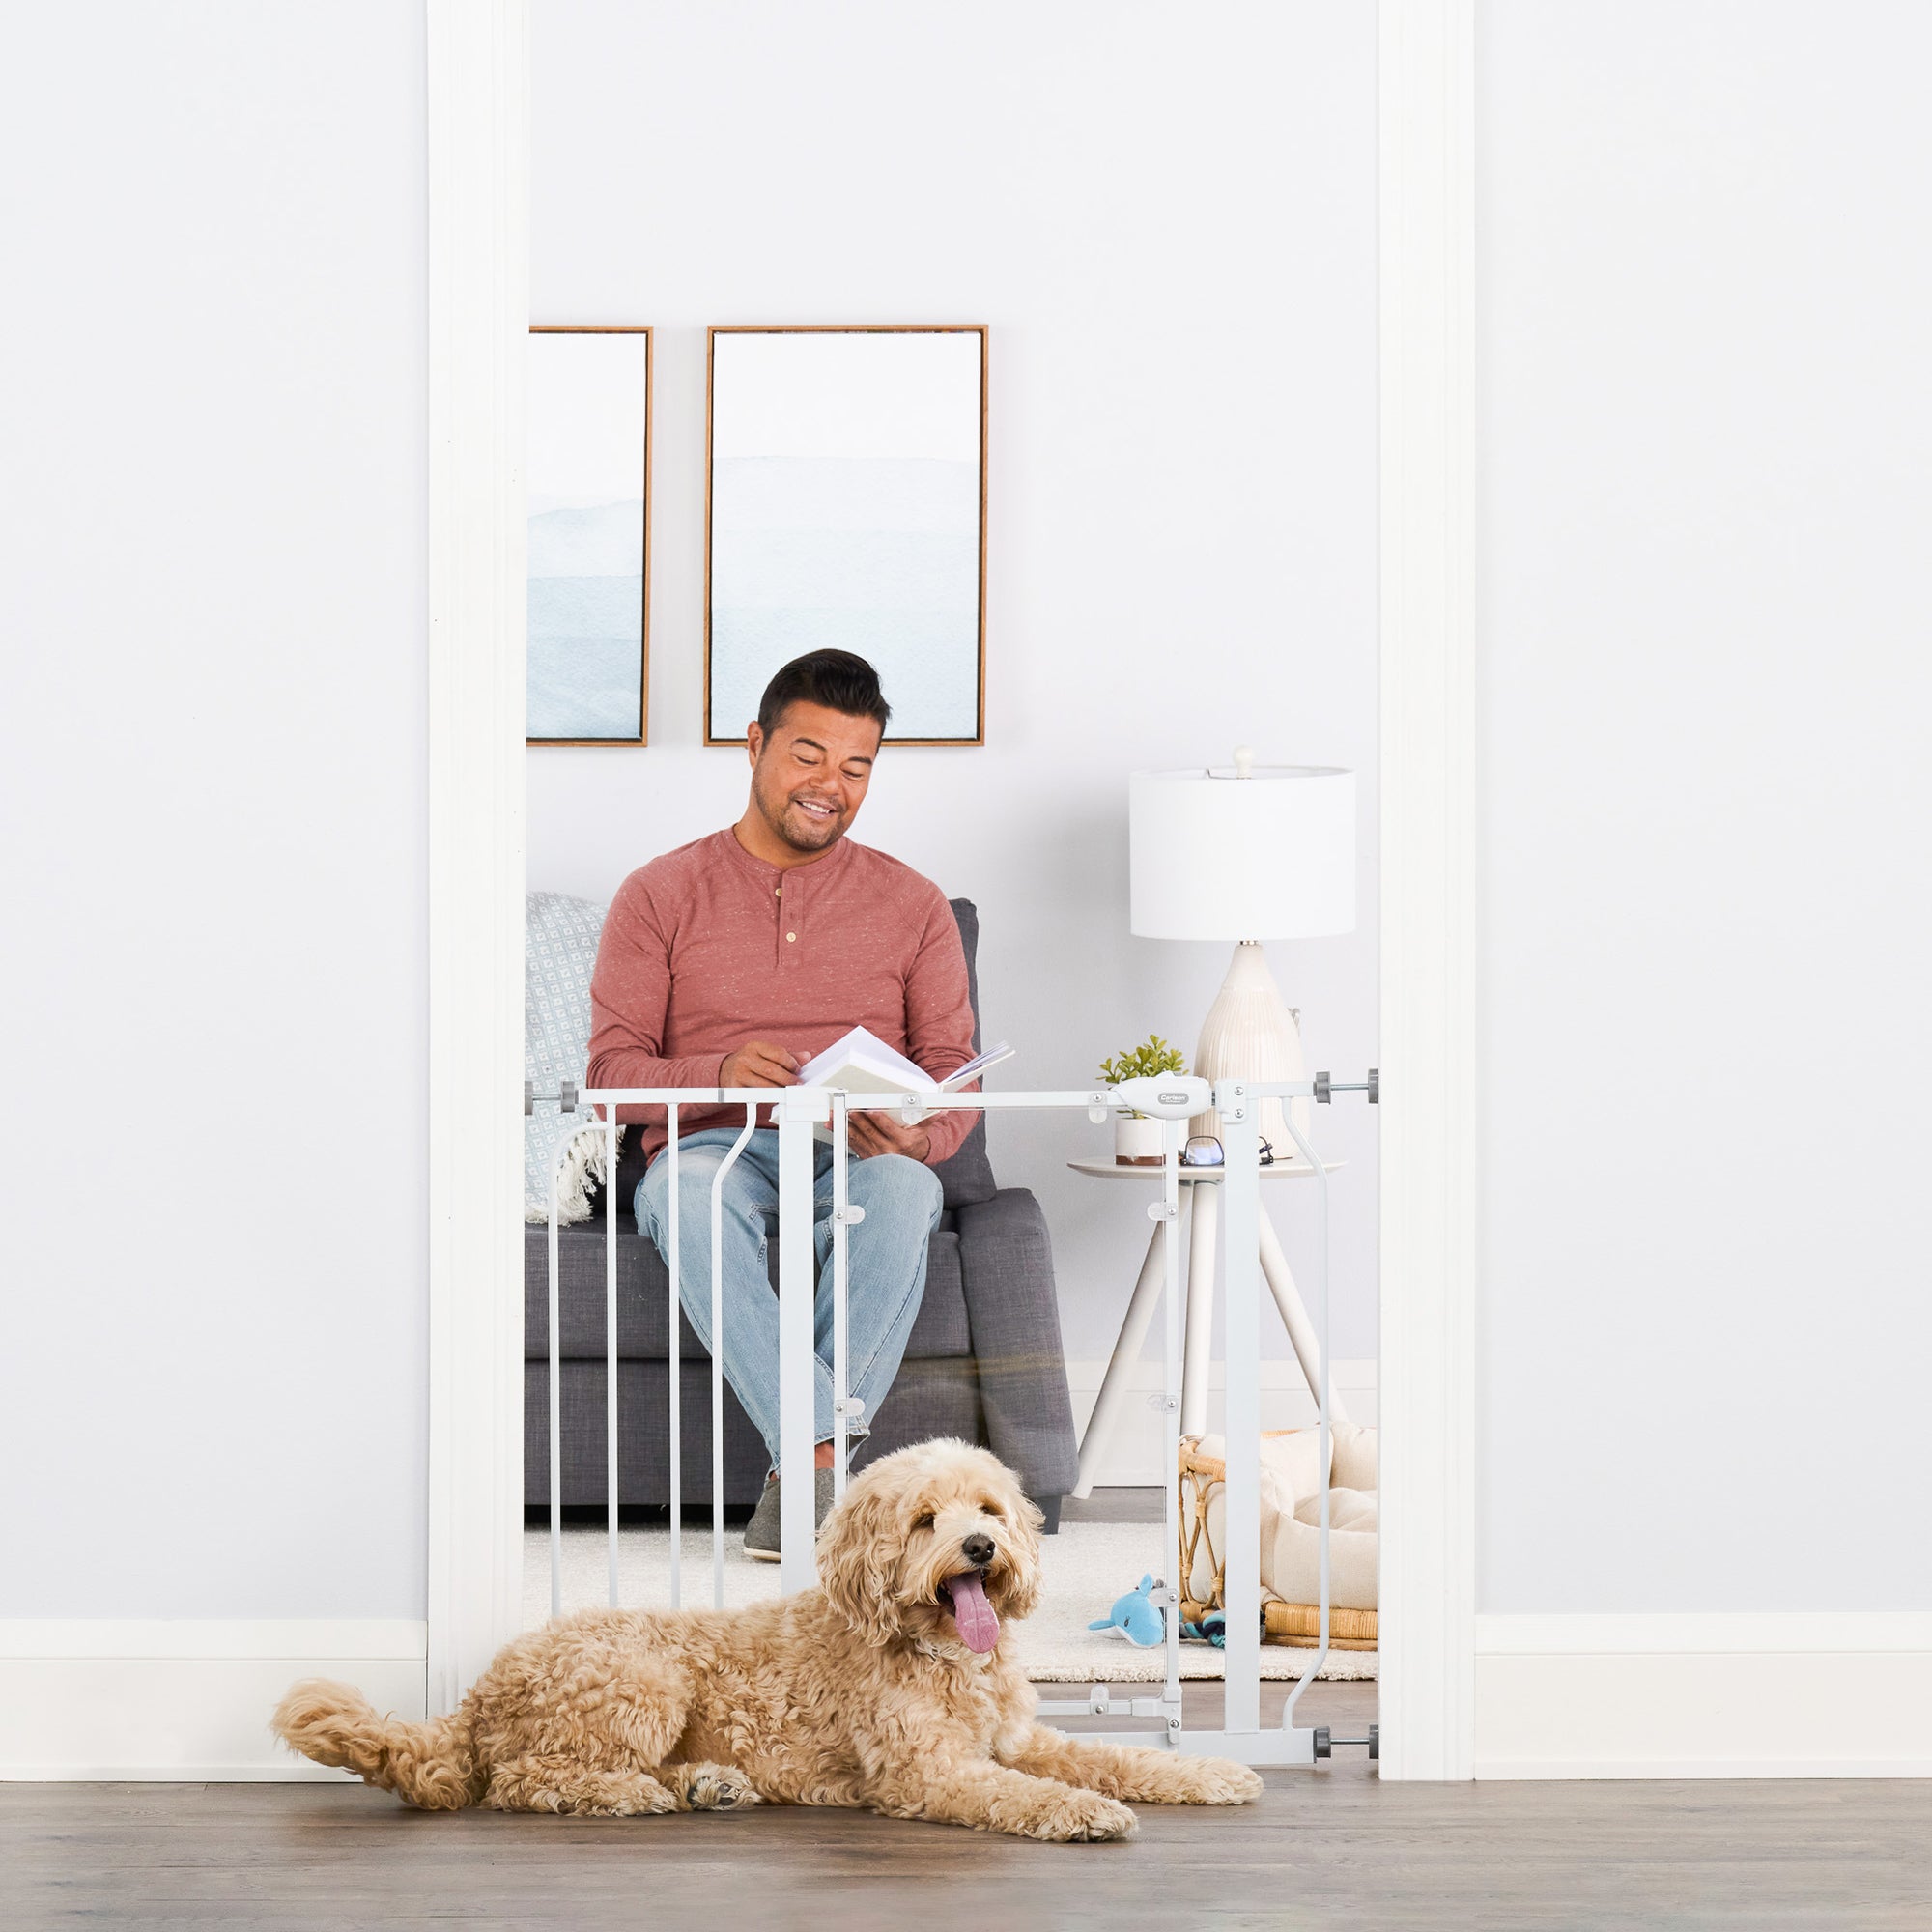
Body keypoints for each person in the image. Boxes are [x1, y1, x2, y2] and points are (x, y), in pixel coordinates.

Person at [585, 650, 979, 1558]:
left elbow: (955, 1074)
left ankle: (799, 1487)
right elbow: (610, 1082)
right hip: (711, 1153)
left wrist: (919, 1137)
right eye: (808, 756)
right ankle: (817, 1459)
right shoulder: (658, 893)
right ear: (755, 744)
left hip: (854, 1145)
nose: (829, 786)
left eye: (855, 768)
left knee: (910, 1193)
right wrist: (722, 1073)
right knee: (684, 1197)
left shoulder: (912, 903)